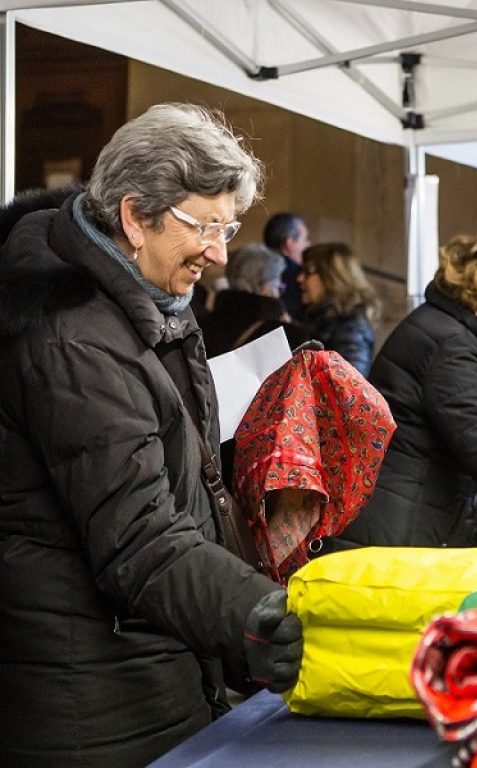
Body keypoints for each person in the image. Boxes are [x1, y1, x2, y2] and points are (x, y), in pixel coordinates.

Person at [0, 103, 303, 767]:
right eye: (207, 227)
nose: (221, 254)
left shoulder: (141, 297)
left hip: (143, 658)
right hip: (93, 692)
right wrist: (263, 613)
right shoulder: (75, 338)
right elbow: (139, 537)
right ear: (135, 217)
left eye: (230, 228)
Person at [335, 224, 477, 548]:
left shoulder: (438, 327)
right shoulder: (451, 346)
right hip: (400, 536)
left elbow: (458, 430)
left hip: (397, 520)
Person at [201, 242, 308, 358]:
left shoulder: (199, 327)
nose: (279, 292)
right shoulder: (284, 334)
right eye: (279, 287)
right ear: (265, 287)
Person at [298, 241, 381, 377]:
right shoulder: (319, 318)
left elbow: (349, 387)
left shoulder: (351, 328)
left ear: (331, 276)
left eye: (307, 272)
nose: (300, 278)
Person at [263, 211, 310, 320]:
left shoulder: (250, 269)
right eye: (306, 239)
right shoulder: (300, 276)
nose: (308, 245)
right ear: (290, 243)